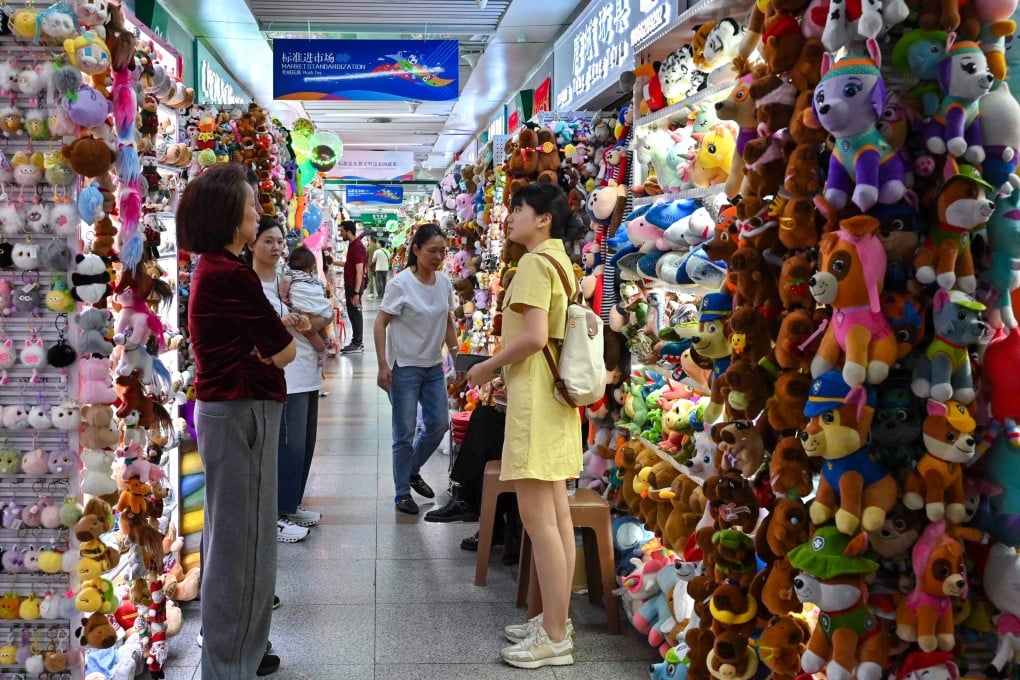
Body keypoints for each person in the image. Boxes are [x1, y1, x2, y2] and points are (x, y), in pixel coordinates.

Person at [178, 164, 297, 678]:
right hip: (242, 411)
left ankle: (238, 652)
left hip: (228, 410)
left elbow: (272, 347)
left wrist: (268, 347)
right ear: (229, 216)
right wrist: (270, 348)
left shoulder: (212, 269)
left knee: (229, 538)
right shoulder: (232, 275)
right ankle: (230, 664)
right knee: (243, 546)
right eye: (250, 206)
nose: (256, 213)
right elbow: (285, 350)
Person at [467, 183, 582, 669]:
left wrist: (487, 366)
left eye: (519, 208)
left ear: (544, 219)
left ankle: (555, 635)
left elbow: (534, 337)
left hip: (537, 401)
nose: (511, 216)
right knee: (556, 518)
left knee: (543, 522)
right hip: (555, 403)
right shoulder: (562, 262)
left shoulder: (536, 264)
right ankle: (557, 620)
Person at [248, 217, 330, 543]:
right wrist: (285, 321)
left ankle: (292, 504)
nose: (276, 247)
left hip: (307, 368)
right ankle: (277, 514)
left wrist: (301, 320)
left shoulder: (287, 281)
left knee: (305, 444)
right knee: (289, 445)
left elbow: (321, 315)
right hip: (284, 376)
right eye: (268, 241)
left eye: (280, 241)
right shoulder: (251, 285)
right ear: (251, 244)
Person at [374, 223, 458, 515]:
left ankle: (411, 470)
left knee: (438, 424)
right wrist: (383, 365)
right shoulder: (401, 284)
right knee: (404, 432)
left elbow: (448, 321)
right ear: (417, 250)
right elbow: (380, 322)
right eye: (432, 250)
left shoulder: (444, 283)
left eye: (443, 251)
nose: (438, 256)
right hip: (404, 368)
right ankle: (401, 494)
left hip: (433, 365)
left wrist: (457, 355)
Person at [282, 245, 333, 365]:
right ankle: (325, 339)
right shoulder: (315, 278)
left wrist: (283, 296)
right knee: (318, 322)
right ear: (312, 266)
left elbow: (285, 283)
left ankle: (321, 350)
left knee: (306, 330)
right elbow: (322, 291)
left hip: (303, 307)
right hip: (322, 307)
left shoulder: (291, 274)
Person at [340, 221, 367, 353]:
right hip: (351, 285)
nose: (341, 234)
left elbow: (359, 270)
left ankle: (357, 343)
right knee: (353, 313)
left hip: (354, 287)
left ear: (349, 232)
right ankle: (357, 342)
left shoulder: (356, 247)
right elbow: (349, 265)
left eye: (342, 231)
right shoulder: (353, 245)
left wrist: (356, 293)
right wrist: (333, 261)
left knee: (355, 313)